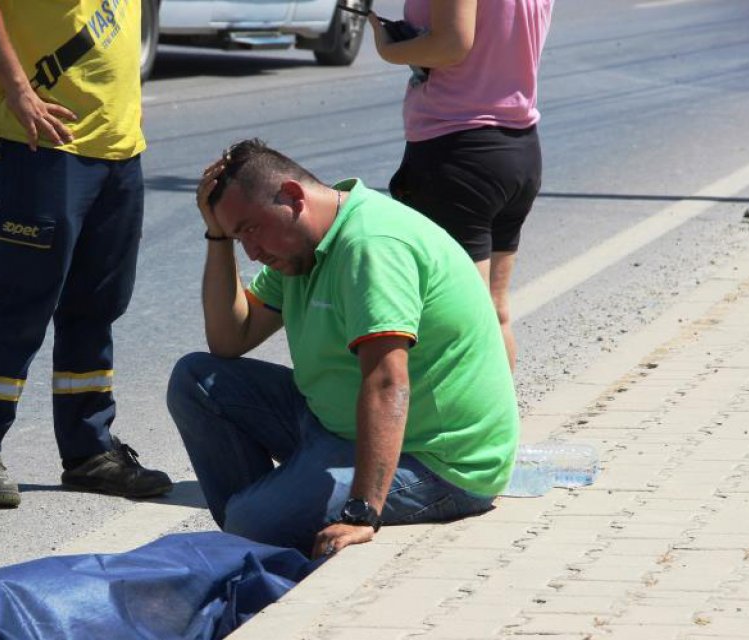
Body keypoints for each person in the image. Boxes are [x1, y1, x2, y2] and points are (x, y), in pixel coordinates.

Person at [167, 139, 519, 557]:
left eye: (249, 230)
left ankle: (261, 532)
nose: (252, 252)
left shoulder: (371, 245)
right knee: (196, 380)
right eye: (237, 237)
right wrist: (217, 238)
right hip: (336, 427)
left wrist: (362, 511)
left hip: (433, 461)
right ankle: (263, 530)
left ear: (293, 198)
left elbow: (388, 382)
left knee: (250, 522)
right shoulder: (301, 246)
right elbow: (229, 339)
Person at [0, 0, 171, 508]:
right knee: (19, 303)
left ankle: (90, 452)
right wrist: (18, 90)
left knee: (97, 307)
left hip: (118, 145)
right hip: (41, 142)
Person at [369, 0, 554, 369]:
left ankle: (473, 424)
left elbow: (452, 45)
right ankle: (501, 422)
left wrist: (389, 47)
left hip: (457, 152)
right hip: (518, 145)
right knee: (495, 312)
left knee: (461, 317)